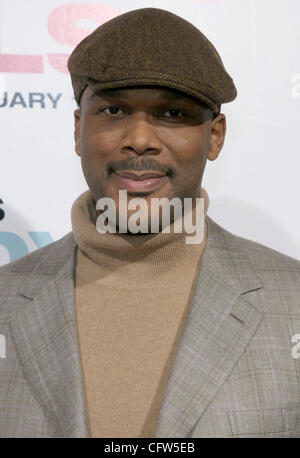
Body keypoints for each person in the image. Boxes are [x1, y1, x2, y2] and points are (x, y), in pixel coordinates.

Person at [0, 7, 300, 438]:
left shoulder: (293, 302)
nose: (139, 139)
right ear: (78, 129)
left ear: (214, 136)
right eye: (114, 110)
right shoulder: (5, 300)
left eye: (172, 114)